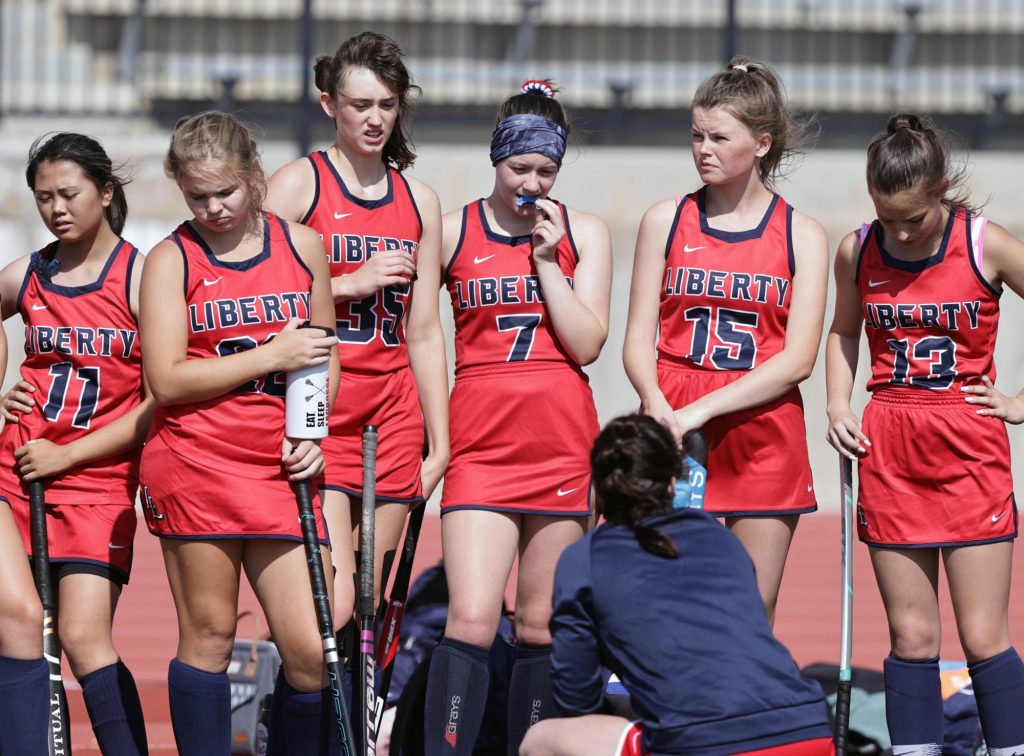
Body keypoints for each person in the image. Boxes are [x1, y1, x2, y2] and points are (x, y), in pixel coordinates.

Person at [139, 111, 341, 754]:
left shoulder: (301, 245)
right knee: (210, 634)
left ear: (254, 177)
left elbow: (321, 351)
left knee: (310, 650)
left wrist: (312, 429)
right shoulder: (171, 258)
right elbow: (166, 381)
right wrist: (267, 358)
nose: (213, 207)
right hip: (198, 460)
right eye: (196, 195)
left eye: (224, 191)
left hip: (279, 466)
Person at [825, 113, 1024, 753]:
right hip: (890, 447)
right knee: (912, 638)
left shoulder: (985, 244)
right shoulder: (858, 249)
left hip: (968, 447)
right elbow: (843, 332)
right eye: (889, 218)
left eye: (914, 217)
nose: (902, 232)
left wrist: (1019, 401)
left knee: (983, 636)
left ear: (942, 191)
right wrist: (837, 404)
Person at [425, 79, 612, 756]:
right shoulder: (451, 232)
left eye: (546, 171)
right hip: (479, 443)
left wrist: (546, 263)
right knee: (472, 619)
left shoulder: (581, 231)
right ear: (495, 159)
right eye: (519, 169)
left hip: (560, 441)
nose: (531, 183)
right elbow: (422, 334)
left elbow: (587, 342)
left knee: (539, 625)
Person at [622, 56, 828, 626]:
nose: (702, 149)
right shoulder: (665, 220)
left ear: (762, 144)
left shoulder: (802, 234)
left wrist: (697, 412)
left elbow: (799, 359)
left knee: (749, 608)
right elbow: (637, 338)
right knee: (664, 600)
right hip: (671, 422)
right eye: (696, 135)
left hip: (759, 428)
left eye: (719, 137)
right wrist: (662, 409)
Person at [264, 31, 448, 643]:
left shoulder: (419, 200)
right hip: (322, 403)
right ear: (328, 105)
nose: (375, 119)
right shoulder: (298, 186)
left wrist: (439, 443)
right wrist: (346, 284)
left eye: (387, 105)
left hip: (392, 411)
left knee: (367, 598)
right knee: (331, 601)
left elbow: (422, 331)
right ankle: (293, 716)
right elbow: (253, 300)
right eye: (360, 105)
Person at [520, 414, 833, 756]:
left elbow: (574, 693)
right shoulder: (719, 538)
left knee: (541, 741)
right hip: (808, 729)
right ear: (671, 484)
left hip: (707, 742)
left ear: (599, 489)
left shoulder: (584, 558)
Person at [0, 132, 152, 754]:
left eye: (68, 193)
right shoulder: (30, 274)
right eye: (43, 198)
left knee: (86, 641)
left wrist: (70, 454)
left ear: (105, 192)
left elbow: (161, 400)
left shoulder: (143, 277)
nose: (56, 208)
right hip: (16, 470)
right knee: (20, 623)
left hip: (97, 481)